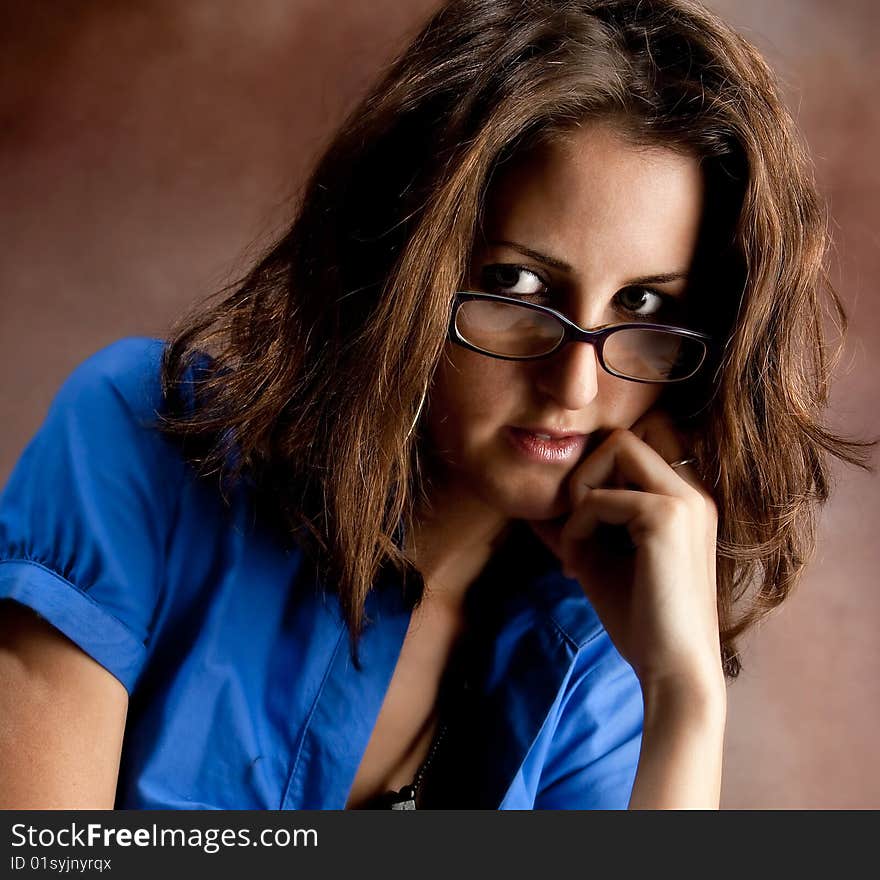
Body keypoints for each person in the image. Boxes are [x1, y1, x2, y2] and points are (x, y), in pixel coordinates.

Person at [0, 0, 870, 810]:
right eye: (514, 283)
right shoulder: (138, 443)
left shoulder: (599, 646)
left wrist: (684, 694)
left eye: (643, 307)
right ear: (401, 266)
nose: (574, 385)